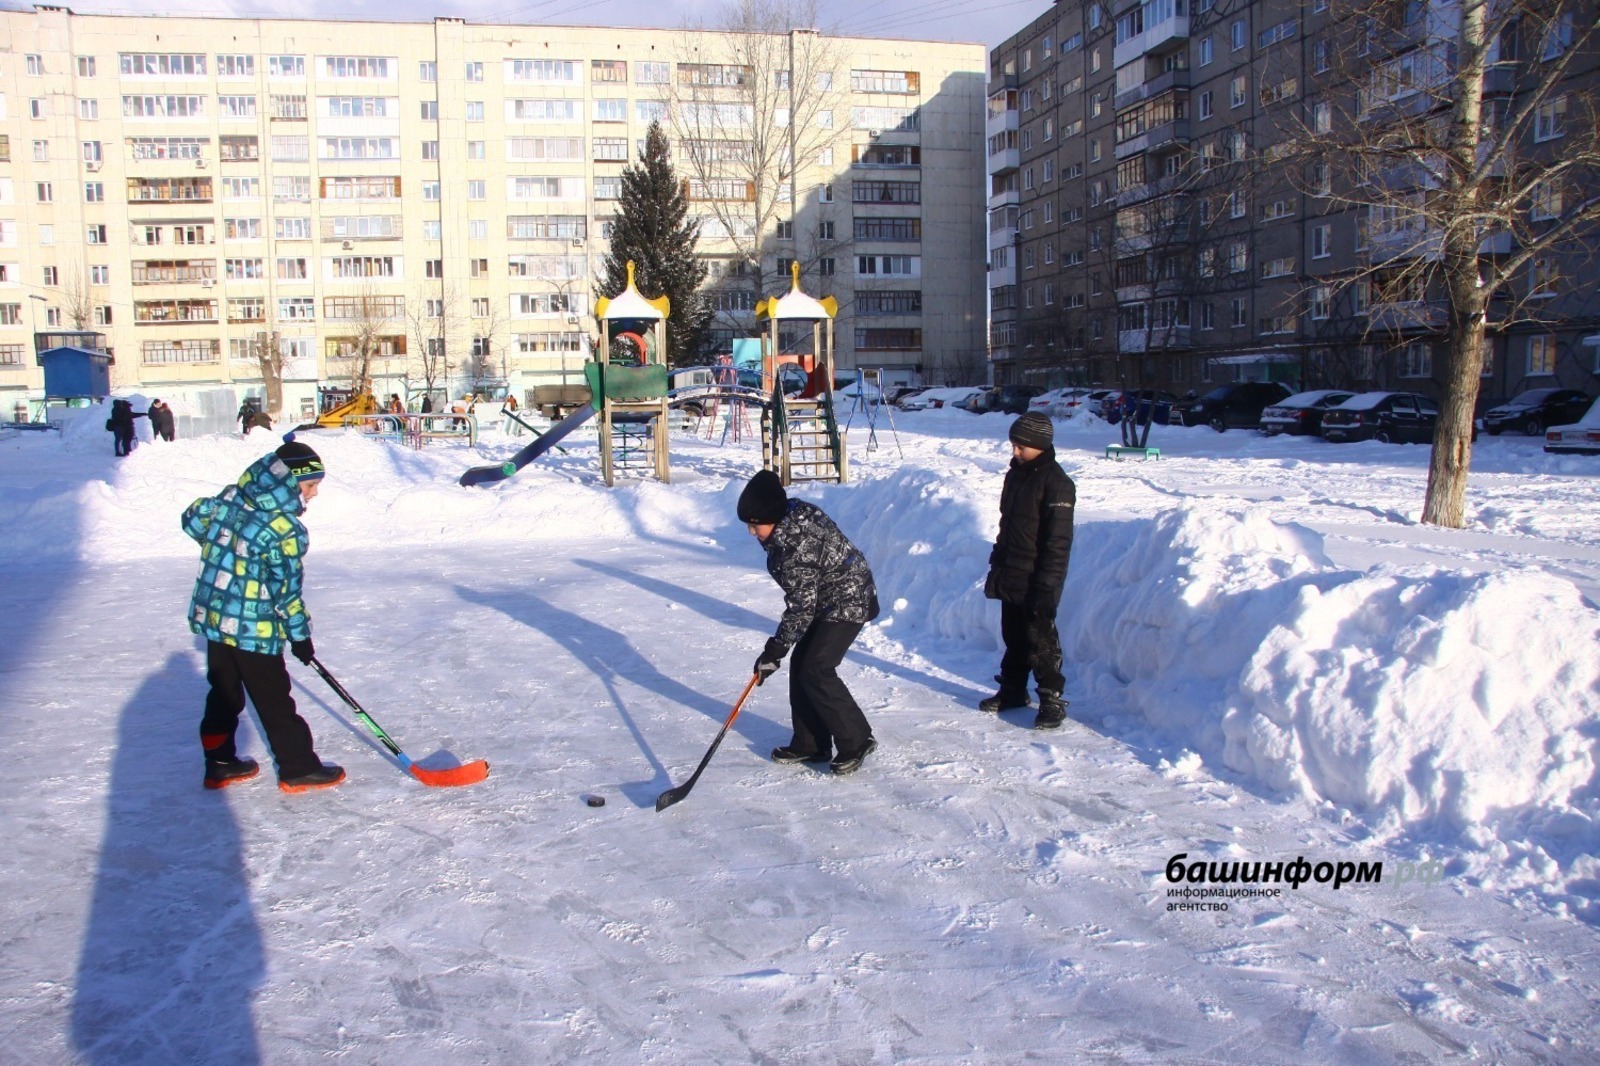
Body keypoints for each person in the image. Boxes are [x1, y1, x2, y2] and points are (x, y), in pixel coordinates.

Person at [182, 442, 344, 793]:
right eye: (310, 486)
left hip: (216, 620)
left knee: (224, 694)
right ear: (288, 483)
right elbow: (286, 593)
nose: (314, 494)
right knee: (274, 700)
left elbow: (193, 518)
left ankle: (220, 763)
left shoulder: (231, 498)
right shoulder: (284, 529)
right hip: (254, 629)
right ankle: (298, 767)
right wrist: (299, 636)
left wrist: (228, 554)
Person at [738, 469, 881, 775]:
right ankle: (811, 743)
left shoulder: (794, 546)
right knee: (803, 664)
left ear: (773, 515)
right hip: (827, 597)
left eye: (755, 524)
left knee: (817, 667)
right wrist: (780, 651)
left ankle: (857, 739)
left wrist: (775, 650)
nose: (752, 532)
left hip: (848, 599)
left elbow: (801, 608)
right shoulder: (789, 518)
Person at [981, 412, 1076, 729]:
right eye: (1013, 446)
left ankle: (1051, 699)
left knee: (1041, 640)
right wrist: (999, 560)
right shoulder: (1016, 475)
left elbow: (1058, 543)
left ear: (1040, 445)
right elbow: (1007, 525)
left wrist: (1047, 587)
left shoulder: (1058, 485)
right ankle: (1012, 691)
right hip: (1012, 570)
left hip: (1039, 577)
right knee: (1014, 636)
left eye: (1021, 447)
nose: (1015, 452)